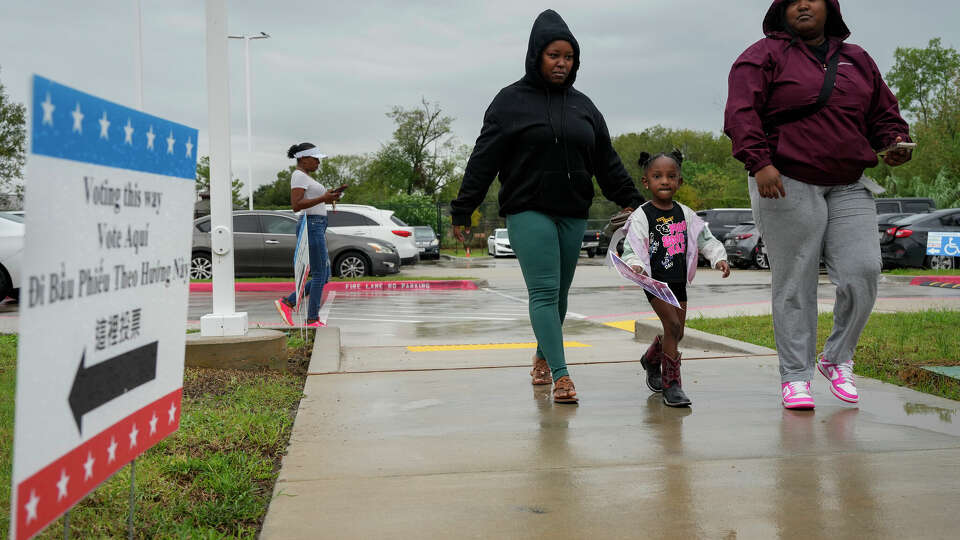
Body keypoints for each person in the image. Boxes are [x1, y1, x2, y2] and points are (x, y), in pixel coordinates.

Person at [724, 0, 913, 409]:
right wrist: (760, 163)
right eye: (793, 0)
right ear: (782, 9)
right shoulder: (761, 56)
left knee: (864, 270)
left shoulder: (857, 59)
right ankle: (795, 376)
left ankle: (837, 358)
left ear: (830, 8)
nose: (803, 5)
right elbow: (741, 114)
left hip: (848, 181)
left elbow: (883, 113)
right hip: (785, 180)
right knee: (795, 280)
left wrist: (894, 141)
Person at [450, 9, 645, 404]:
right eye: (554, 55)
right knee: (543, 291)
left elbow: (606, 162)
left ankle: (542, 355)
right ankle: (562, 375)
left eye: (569, 57)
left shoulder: (584, 107)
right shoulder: (510, 102)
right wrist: (463, 208)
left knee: (560, 296)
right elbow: (483, 159)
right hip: (528, 210)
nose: (562, 63)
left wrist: (638, 204)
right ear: (536, 55)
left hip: (572, 212)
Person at [621, 151, 730, 407]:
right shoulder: (642, 215)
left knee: (677, 331)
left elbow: (705, 239)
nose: (665, 181)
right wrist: (636, 265)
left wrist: (718, 258)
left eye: (671, 176)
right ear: (646, 182)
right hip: (655, 283)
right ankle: (672, 385)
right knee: (672, 326)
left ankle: (651, 358)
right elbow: (631, 246)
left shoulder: (687, 214)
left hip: (678, 281)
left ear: (680, 182)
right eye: (657, 176)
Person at [274, 142, 343, 328]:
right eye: (316, 159)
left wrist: (328, 197)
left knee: (325, 274)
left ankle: (289, 302)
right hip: (312, 224)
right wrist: (324, 198)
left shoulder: (305, 177)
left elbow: (312, 201)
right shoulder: (298, 176)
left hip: (317, 225)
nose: (318, 163)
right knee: (320, 274)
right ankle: (312, 319)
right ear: (304, 159)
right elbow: (296, 205)